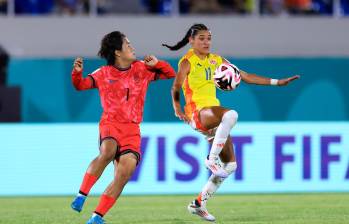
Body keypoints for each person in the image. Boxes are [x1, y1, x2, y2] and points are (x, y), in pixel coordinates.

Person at [163, 23, 299, 222]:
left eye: (208, 38)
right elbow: (175, 85)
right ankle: (211, 158)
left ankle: (199, 203)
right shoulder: (187, 61)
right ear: (191, 41)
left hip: (213, 119)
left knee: (231, 166)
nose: (206, 42)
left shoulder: (217, 60)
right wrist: (177, 108)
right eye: (201, 38)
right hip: (198, 113)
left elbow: (244, 76)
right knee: (231, 114)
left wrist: (277, 82)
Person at [70, 31, 175, 224]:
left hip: (132, 129)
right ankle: (81, 195)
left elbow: (170, 73)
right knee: (108, 151)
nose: (132, 47)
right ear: (118, 52)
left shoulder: (143, 69)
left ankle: (96, 217)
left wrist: (157, 64)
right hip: (111, 124)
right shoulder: (103, 73)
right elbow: (81, 85)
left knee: (124, 173)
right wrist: (76, 73)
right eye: (128, 44)